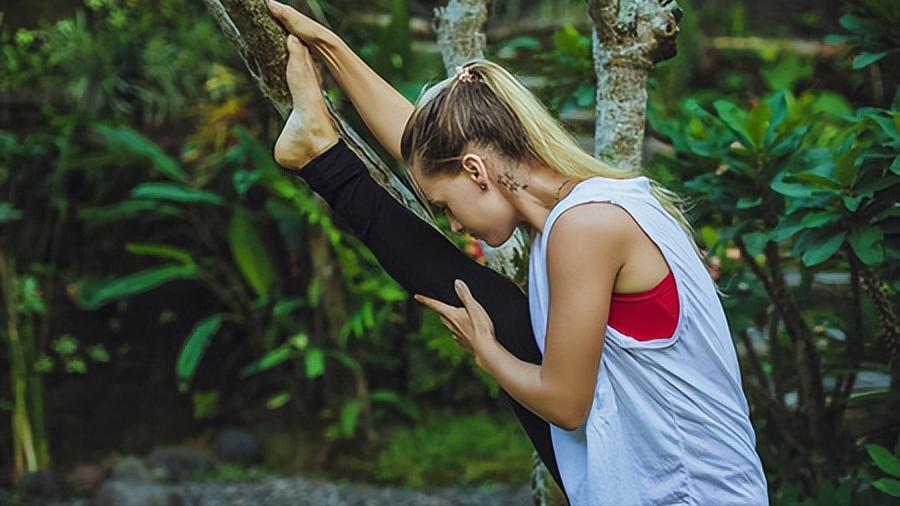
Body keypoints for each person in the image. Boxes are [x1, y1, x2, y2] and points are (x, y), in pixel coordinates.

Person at [265, 1, 769, 504]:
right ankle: (320, 151)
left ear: (478, 171)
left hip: (689, 494)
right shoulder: (589, 202)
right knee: (496, 308)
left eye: (445, 207)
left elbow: (566, 405)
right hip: (669, 482)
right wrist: (329, 46)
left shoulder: (586, 227)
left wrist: (486, 353)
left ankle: (321, 155)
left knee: (493, 317)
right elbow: (428, 150)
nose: (455, 223)